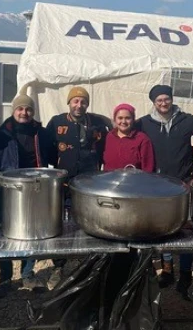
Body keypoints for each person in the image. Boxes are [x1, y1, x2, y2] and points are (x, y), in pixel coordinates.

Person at [137, 84, 193, 292]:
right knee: (159, 228)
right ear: (153, 102)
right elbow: (127, 134)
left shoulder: (186, 120)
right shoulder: (144, 123)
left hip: (183, 181)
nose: (163, 103)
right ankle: (165, 269)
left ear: (171, 99)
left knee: (185, 228)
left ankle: (185, 273)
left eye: (166, 99)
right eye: (159, 100)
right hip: (156, 184)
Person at [45, 86, 110, 287]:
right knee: (62, 224)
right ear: (69, 103)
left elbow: (107, 143)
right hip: (64, 182)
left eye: (83, 102)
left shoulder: (98, 123)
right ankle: (59, 266)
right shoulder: (57, 122)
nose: (79, 105)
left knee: (88, 221)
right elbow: (47, 150)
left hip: (89, 183)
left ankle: (86, 265)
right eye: (75, 101)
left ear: (87, 104)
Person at [0, 88, 51, 294]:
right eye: (20, 109)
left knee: (32, 231)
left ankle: (27, 273)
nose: (24, 113)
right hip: (9, 188)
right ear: (13, 111)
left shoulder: (41, 132)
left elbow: (50, 156)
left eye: (28, 109)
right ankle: (5, 277)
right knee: (6, 232)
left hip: (35, 188)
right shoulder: (2, 133)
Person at [103, 103, 155, 172]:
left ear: (133, 120)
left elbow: (148, 167)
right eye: (120, 118)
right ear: (115, 119)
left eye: (127, 118)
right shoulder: (109, 137)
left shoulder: (142, 139)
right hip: (110, 180)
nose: (123, 122)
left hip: (133, 181)